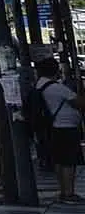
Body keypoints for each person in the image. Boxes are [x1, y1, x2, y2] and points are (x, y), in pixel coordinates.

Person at [38, 57, 82, 201]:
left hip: (53, 128)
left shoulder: (40, 86)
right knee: (69, 161)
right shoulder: (57, 88)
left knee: (59, 160)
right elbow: (78, 103)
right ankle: (68, 193)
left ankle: (63, 190)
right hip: (66, 127)